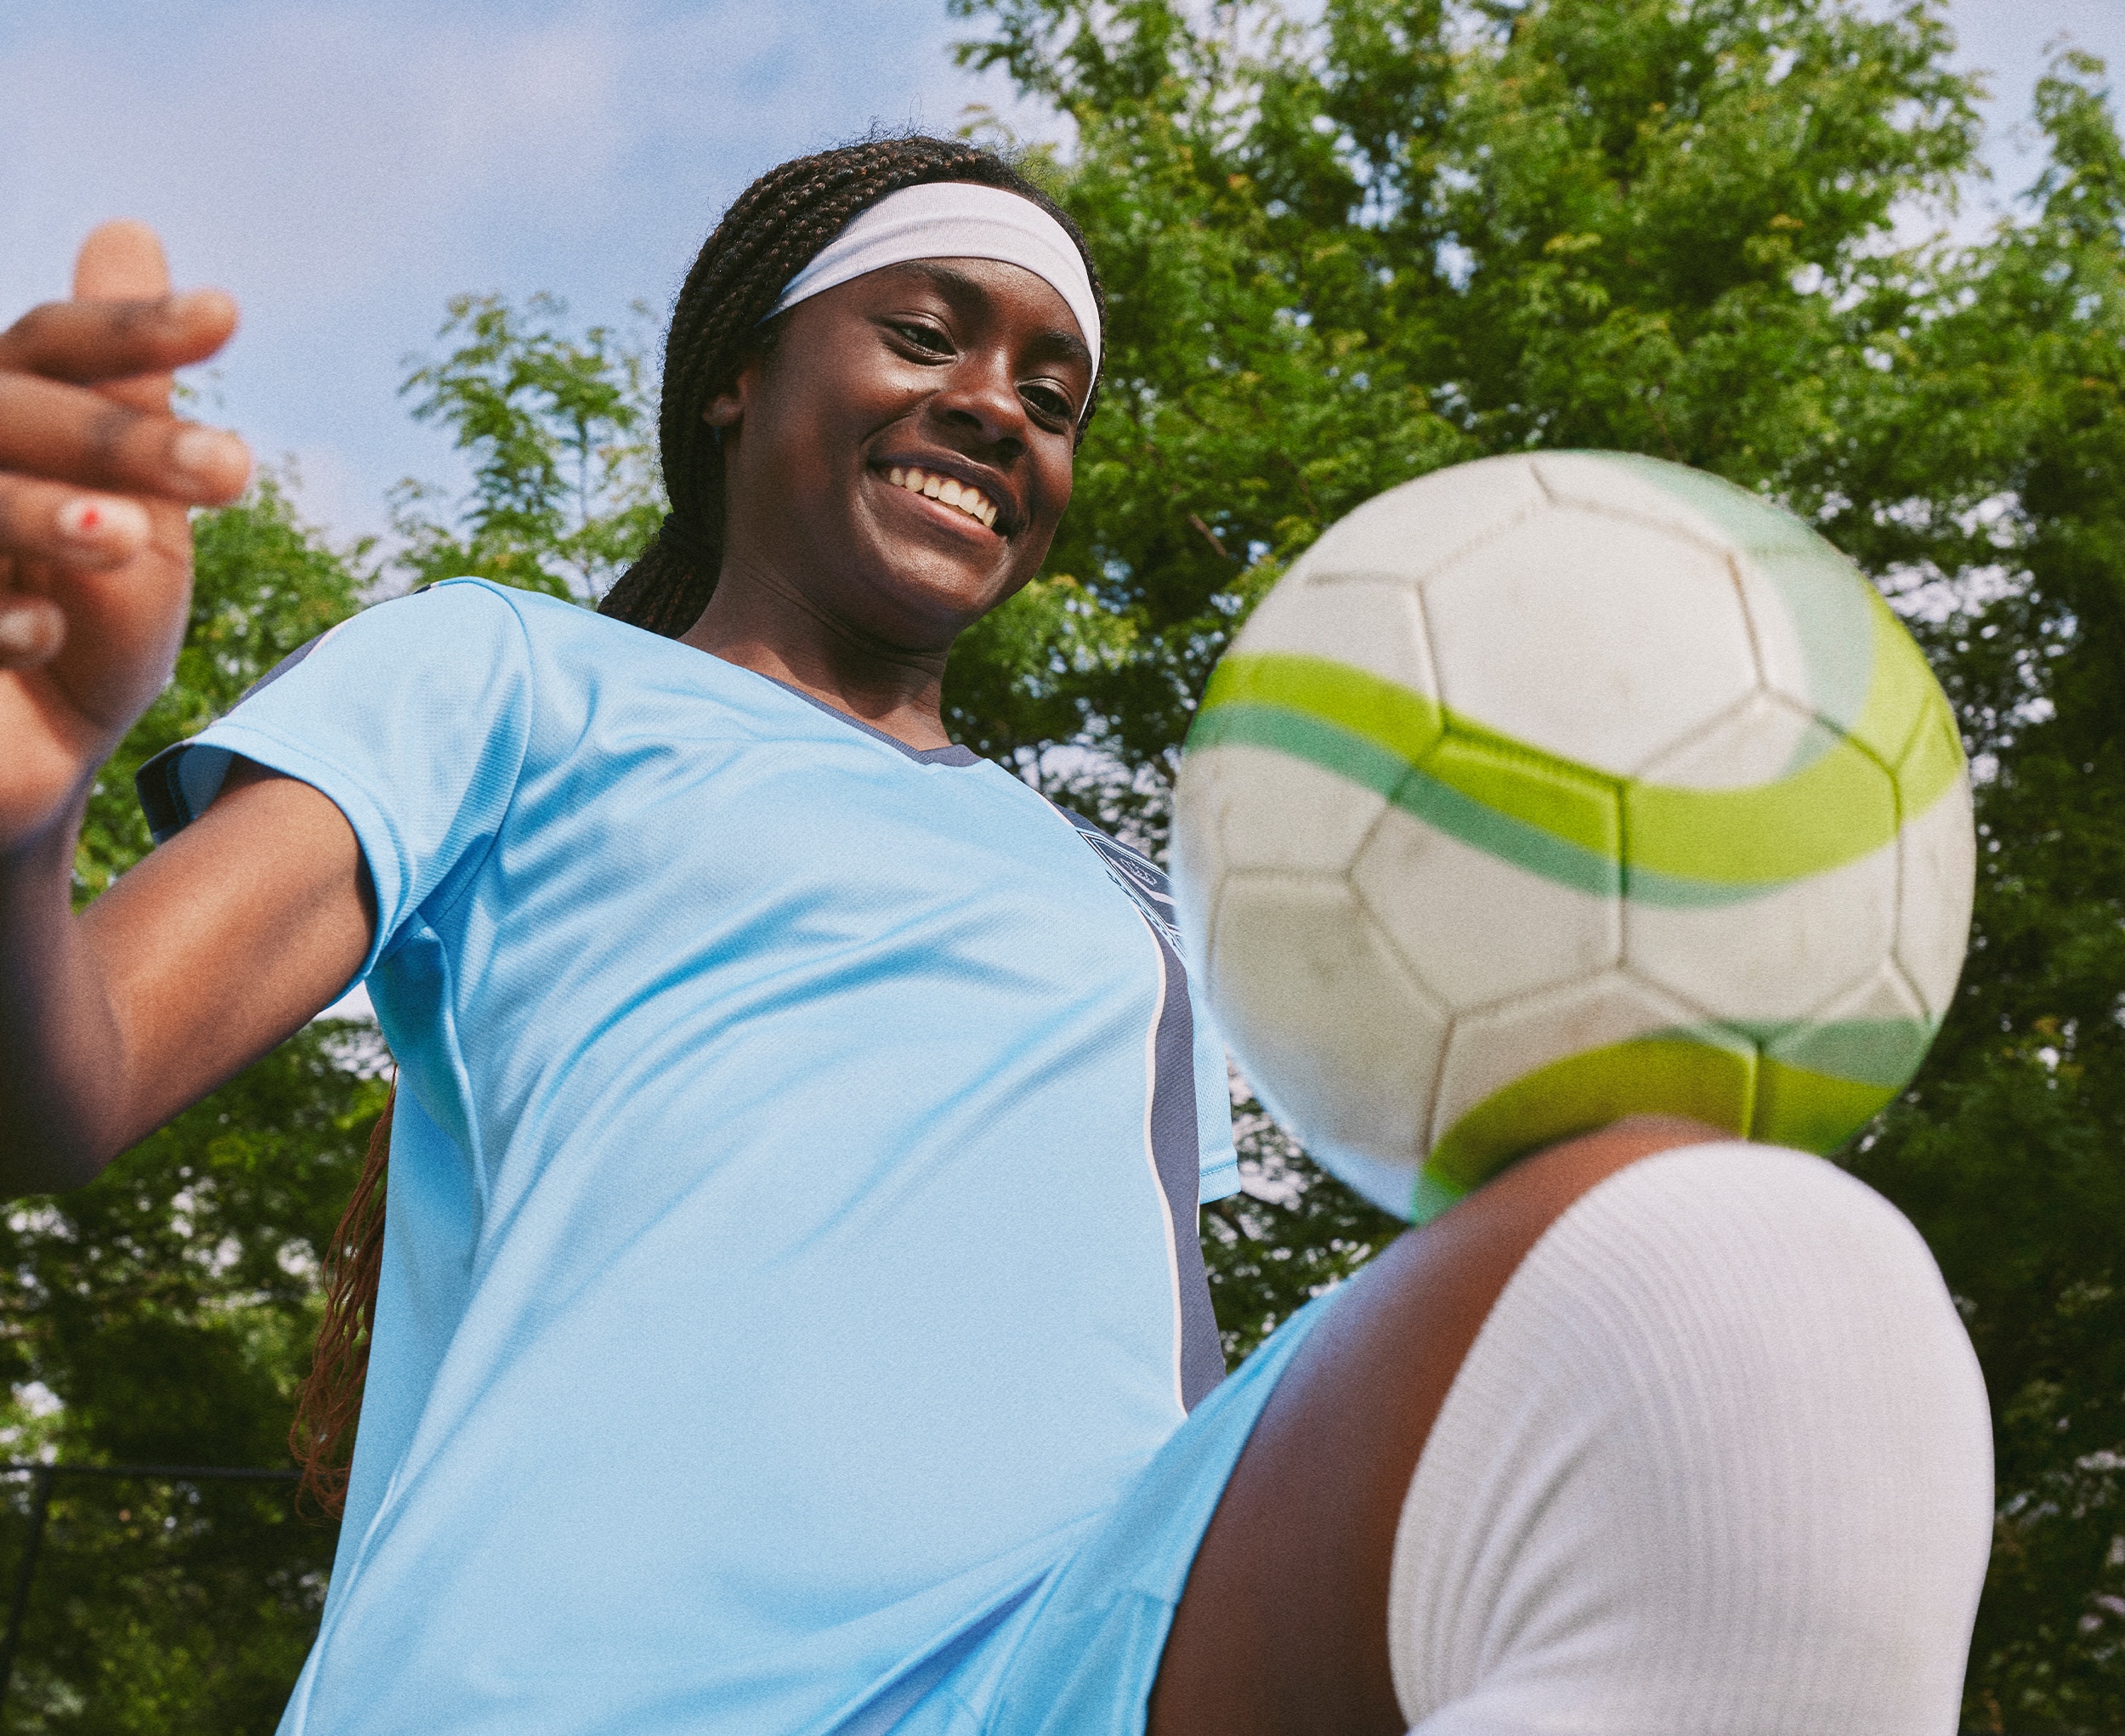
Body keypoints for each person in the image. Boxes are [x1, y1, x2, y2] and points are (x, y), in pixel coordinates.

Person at [0, 135, 1993, 1734]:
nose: (998, 406)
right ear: (737, 377)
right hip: (582, 1687)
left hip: (1054, 1664)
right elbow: (60, 1088)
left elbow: (1170, 1382)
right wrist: (28, 808)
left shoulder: (1119, 902)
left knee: (1748, 1290)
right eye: (927, 331)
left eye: (1052, 392)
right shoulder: (513, 677)